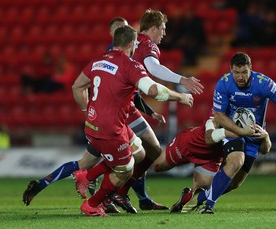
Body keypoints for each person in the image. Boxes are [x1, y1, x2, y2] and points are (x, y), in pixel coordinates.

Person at [21, 17, 163, 213]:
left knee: (131, 154)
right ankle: (113, 195)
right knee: (137, 154)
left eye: (126, 27)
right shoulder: (116, 59)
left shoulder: (110, 59)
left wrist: (150, 111)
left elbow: (129, 91)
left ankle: (50, 183)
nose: (127, 31)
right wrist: (90, 111)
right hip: (117, 117)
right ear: (115, 36)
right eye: (119, 29)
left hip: (112, 116)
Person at [74, 9, 204, 214]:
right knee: (139, 156)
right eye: (162, 29)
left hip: (116, 106)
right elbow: (153, 69)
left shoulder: (128, 42)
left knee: (143, 152)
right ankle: (105, 189)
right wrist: (181, 81)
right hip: (124, 109)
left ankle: (110, 187)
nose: (164, 34)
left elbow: (83, 83)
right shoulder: (146, 44)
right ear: (153, 28)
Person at [184, 52, 276, 214]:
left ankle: (202, 197)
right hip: (231, 131)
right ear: (231, 70)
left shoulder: (264, 83)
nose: (240, 77)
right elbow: (219, 116)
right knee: (236, 161)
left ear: (251, 69)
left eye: (244, 72)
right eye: (236, 72)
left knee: (234, 183)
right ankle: (209, 205)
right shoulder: (224, 83)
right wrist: (239, 131)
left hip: (253, 134)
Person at [150, 111, 270, 213]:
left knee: (205, 187)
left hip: (210, 158)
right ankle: (139, 185)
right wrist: (239, 132)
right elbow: (209, 138)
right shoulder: (217, 116)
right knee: (156, 166)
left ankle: (186, 199)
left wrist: (266, 137)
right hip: (189, 145)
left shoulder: (245, 122)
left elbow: (264, 149)